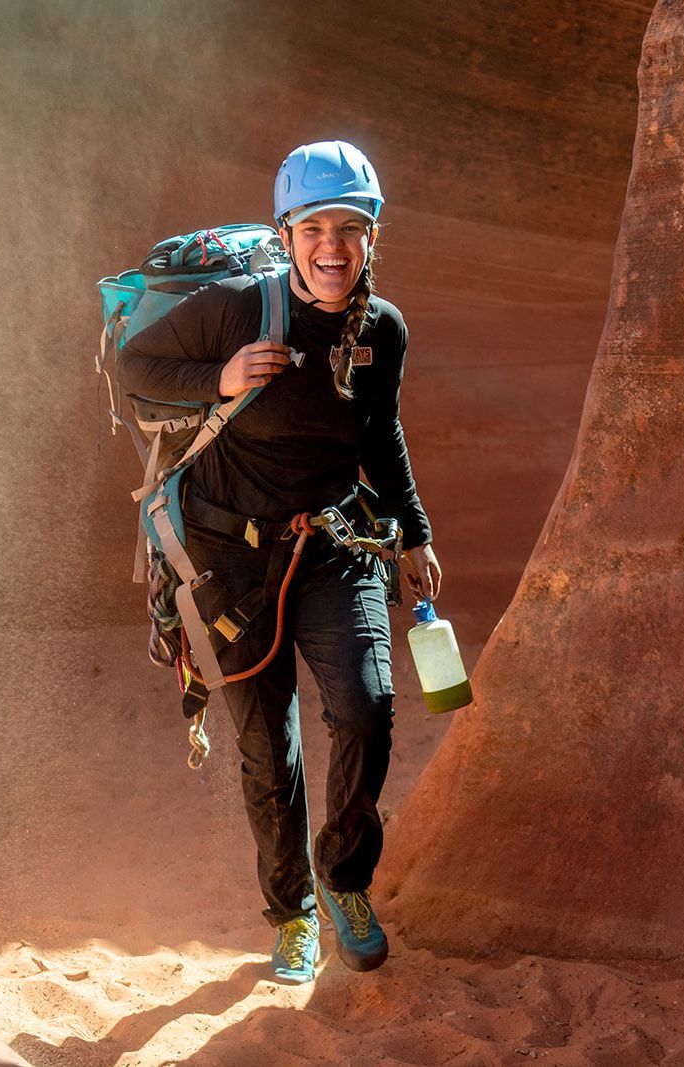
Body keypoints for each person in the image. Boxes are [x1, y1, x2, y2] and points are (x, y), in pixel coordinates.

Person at [118, 139, 441, 984]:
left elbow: (381, 432)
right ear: (287, 232)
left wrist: (413, 529)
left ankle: (342, 879)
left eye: (351, 227)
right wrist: (218, 380)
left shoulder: (385, 329)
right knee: (267, 746)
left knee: (367, 711)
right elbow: (136, 362)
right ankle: (292, 912)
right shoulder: (235, 307)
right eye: (315, 227)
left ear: (374, 235)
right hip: (231, 557)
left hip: (336, 546)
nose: (333, 246)